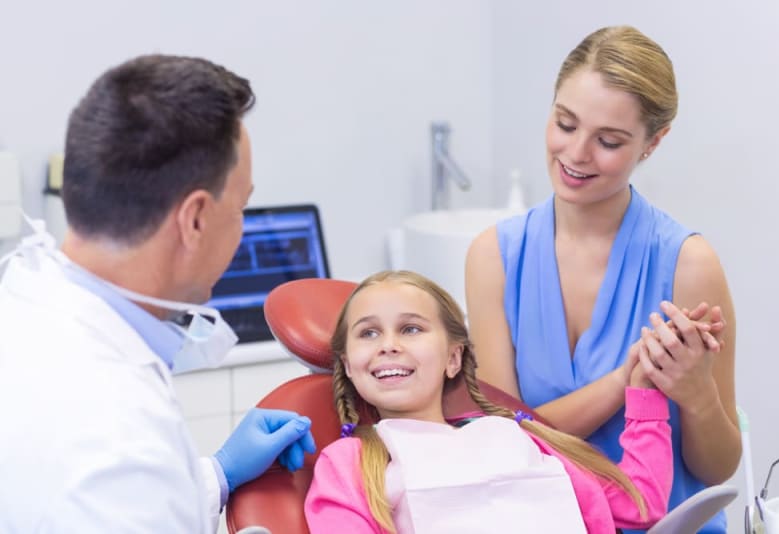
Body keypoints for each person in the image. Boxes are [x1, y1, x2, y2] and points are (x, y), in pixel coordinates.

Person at [0, 55, 315, 533]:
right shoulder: (117, 437)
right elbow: (122, 488)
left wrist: (214, 476)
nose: (242, 227)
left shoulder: (28, 297)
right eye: (241, 208)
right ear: (195, 220)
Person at [464, 25, 739, 533]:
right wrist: (620, 383)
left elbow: (718, 469)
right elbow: (501, 441)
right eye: (565, 124)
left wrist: (697, 394)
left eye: (609, 141)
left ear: (653, 143)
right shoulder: (493, 258)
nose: (577, 154)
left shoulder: (687, 264)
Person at [303, 270, 701, 533]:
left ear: (453, 357)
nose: (389, 346)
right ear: (348, 365)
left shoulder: (516, 436)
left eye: (410, 328)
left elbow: (640, 503)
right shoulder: (351, 463)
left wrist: (643, 387)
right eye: (368, 334)